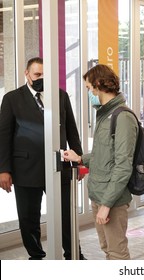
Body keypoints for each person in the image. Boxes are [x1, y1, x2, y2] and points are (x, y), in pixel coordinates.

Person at [0, 57, 86, 260]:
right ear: (26, 74)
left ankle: (74, 255)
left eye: (45, 75)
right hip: (25, 168)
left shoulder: (60, 96)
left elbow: (72, 131)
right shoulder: (12, 98)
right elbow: (3, 135)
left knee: (66, 215)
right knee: (29, 218)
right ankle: (36, 257)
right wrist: (4, 169)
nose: (41, 79)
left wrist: (78, 160)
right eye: (37, 75)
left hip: (60, 166)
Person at [63, 64, 137, 260]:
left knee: (117, 253)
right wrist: (79, 158)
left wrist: (106, 204)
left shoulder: (122, 117)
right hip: (99, 195)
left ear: (98, 85)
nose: (88, 93)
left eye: (88, 89)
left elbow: (123, 165)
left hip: (111, 200)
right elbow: (104, 154)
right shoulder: (105, 115)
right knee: (107, 249)